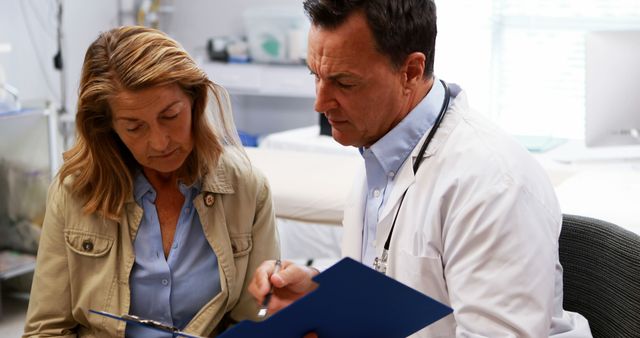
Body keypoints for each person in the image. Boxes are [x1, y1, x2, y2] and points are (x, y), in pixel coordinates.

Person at [248, 0, 592, 337]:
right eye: (316, 76)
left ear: (410, 71)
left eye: (344, 83)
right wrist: (315, 294)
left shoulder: (494, 184)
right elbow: (393, 281)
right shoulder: (380, 149)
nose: (320, 102)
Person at [23, 26, 279, 337]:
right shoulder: (74, 193)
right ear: (108, 127)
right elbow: (45, 329)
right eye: (134, 127)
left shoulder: (246, 188)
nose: (159, 143)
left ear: (195, 102)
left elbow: (261, 320)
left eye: (170, 115)